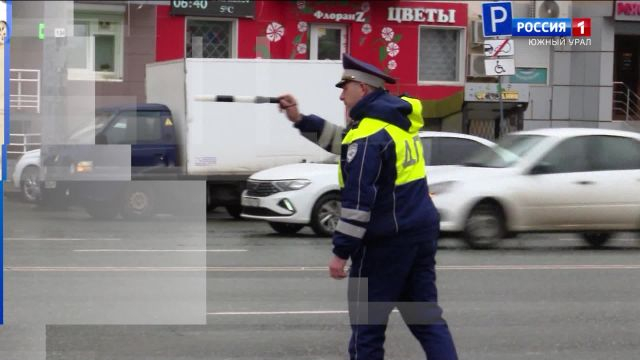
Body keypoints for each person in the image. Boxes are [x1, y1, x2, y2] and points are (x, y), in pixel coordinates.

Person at [279, 53, 458, 360]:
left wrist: (341, 252)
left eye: (344, 86)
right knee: (427, 320)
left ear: (362, 88)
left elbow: (358, 203)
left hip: (383, 246)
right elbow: (341, 140)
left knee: (367, 330)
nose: (340, 94)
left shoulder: (369, 135)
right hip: (418, 237)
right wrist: (299, 119)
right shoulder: (395, 124)